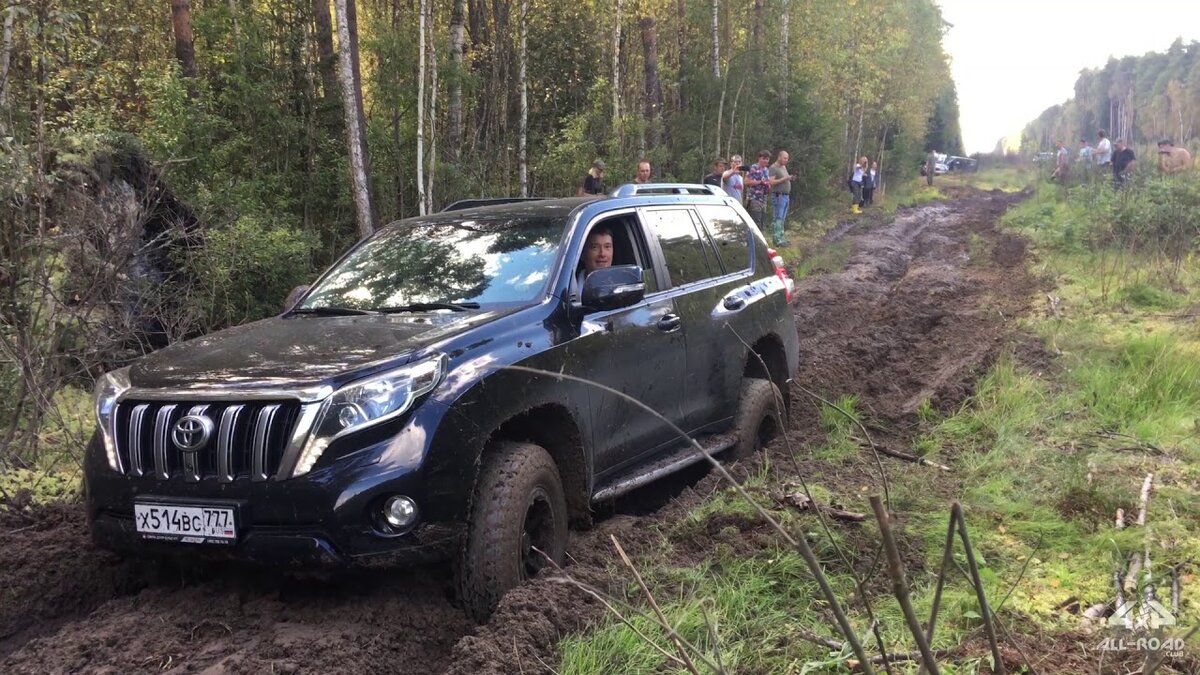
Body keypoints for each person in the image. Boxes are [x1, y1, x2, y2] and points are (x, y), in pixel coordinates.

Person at [571, 226, 614, 299]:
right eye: (595, 247)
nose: (602, 254)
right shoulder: (568, 289)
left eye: (607, 247)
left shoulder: (623, 287)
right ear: (582, 254)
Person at [767, 150, 796, 246]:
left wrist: (790, 178)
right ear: (779, 157)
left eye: (787, 158)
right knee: (778, 218)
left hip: (785, 196)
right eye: (785, 158)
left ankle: (781, 237)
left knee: (782, 218)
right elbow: (771, 182)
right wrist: (784, 179)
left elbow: (785, 178)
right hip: (778, 196)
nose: (786, 160)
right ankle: (777, 240)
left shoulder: (783, 167)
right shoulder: (773, 168)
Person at [745, 150, 772, 231]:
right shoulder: (753, 168)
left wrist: (768, 186)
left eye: (767, 159)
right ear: (759, 158)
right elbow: (746, 181)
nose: (765, 161)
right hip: (754, 198)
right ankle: (755, 242)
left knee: (762, 221)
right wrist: (760, 182)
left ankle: (761, 241)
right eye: (763, 158)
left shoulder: (766, 170)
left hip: (764, 199)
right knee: (756, 222)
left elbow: (767, 182)